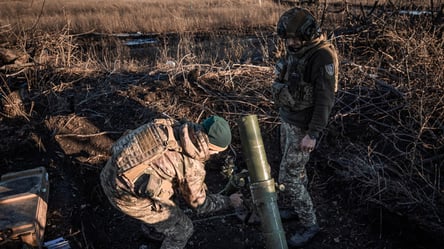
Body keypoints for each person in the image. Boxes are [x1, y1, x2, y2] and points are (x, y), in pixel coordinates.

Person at [100, 115, 243, 249]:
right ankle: (158, 227)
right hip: (123, 196)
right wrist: (229, 201)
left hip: (110, 172)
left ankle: (154, 230)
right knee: (183, 230)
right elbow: (200, 205)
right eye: (216, 151)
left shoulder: (168, 125)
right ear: (211, 147)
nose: (216, 155)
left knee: (171, 190)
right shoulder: (192, 167)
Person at [271, 7, 339, 248]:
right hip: (289, 120)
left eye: (294, 38)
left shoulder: (321, 57)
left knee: (289, 177)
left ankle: (310, 223)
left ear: (308, 34)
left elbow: (325, 99)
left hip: (303, 127)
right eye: (287, 38)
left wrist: (313, 134)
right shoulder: (298, 50)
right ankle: (292, 206)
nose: (289, 43)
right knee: (291, 171)